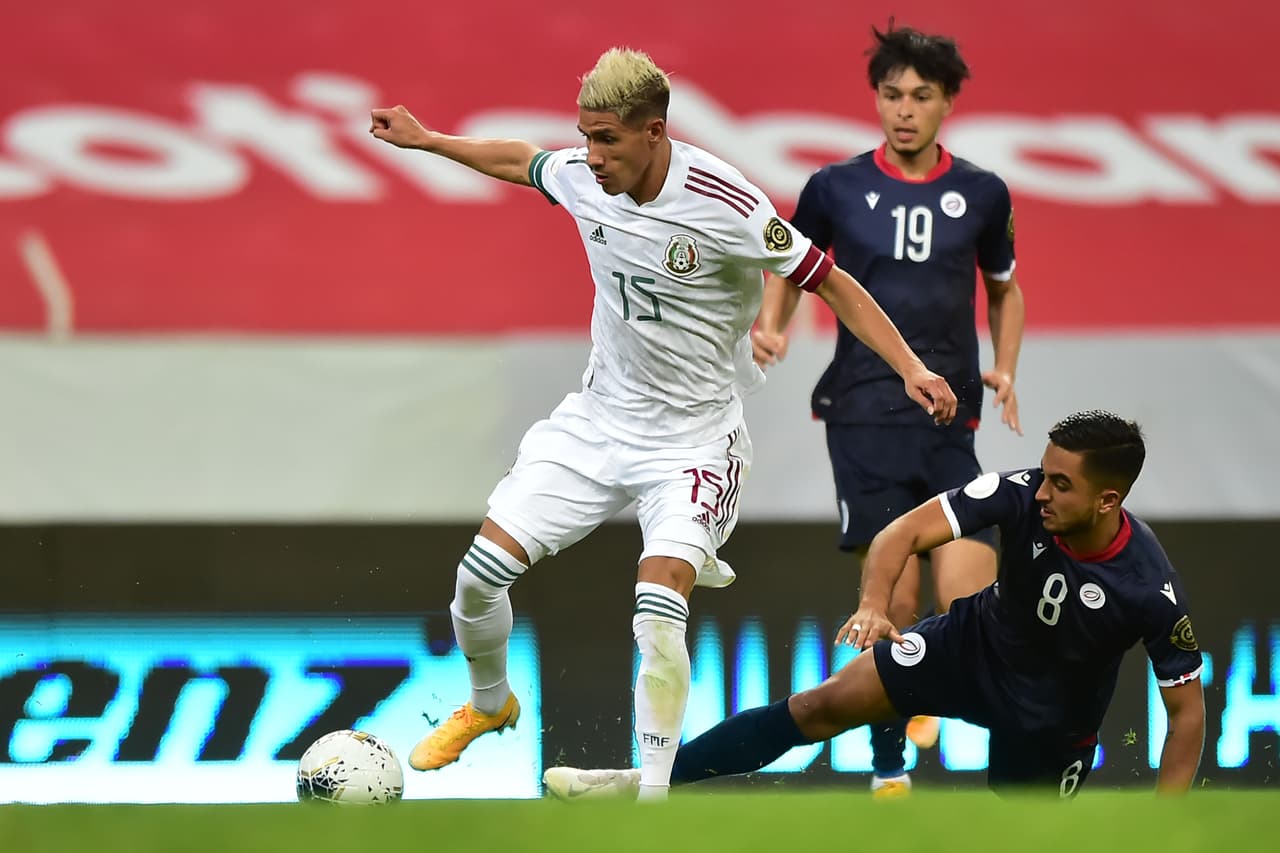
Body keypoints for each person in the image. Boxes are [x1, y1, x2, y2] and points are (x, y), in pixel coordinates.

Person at [368, 47, 957, 801]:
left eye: (608, 138)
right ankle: (491, 703)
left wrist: (911, 367)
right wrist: (429, 141)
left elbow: (832, 281)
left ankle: (652, 798)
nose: (592, 155)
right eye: (585, 136)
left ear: (654, 131)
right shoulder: (584, 178)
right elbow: (523, 161)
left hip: (693, 441)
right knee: (477, 577)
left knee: (659, 606)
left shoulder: (726, 201)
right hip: (596, 422)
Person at [545, 410, 1206, 799]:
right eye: (1045, 472)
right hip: (969, 646)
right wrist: (875, 604)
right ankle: (646, 783)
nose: (1042, 493)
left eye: (1062, 484)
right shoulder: (1019, 491)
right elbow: (904, 531)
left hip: (1051, 719)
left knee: (1021, 827)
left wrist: (1165, 824)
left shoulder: (1149, 588)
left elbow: (1185, 715)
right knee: (819, 704)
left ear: (1107, 501)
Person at [749, 22, 1027, 795]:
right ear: (877, 99)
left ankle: (975, 731)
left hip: (951, 419)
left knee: (973, 597)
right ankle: (888, 767)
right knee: (893, 596)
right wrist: (772, 325)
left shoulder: (982, 192)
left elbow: (1003, 289)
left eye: (921, 96)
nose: (904, 110)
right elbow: (788, 263)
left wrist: (1004, 365)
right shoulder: (834, 188)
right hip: (864, 413)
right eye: (891, 94)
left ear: (947, 104)